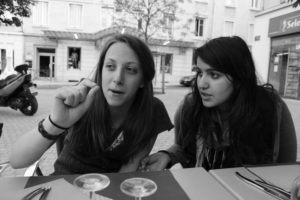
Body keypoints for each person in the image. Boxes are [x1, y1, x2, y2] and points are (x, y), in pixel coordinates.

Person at [9, 34, 173, 174]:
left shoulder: (152, 110)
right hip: (63, 186)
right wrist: (56, 123)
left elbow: (130, 166)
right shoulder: (83, 96)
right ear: (101, 70)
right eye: (110, 66)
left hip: (109, 189)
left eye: (130, 69)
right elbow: (16, 160)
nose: (117, 78)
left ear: (143, 80)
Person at [141, 36, 297, 171]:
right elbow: (184, 149)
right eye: (200, 73)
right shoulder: (190, 106)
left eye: (214, 75)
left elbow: (285, 166)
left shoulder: (271, 108)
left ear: (239, 78)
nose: (202, 84)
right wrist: (167, 156)